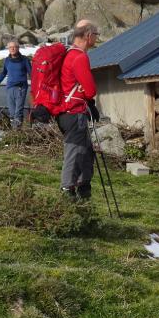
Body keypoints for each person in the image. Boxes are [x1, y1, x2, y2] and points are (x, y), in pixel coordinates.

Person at [57, 20, 99, 199]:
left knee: (85, 151)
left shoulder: (67, 53)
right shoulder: (80, 57)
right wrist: (86, 96)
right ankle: (69, 192)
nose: (97, 38)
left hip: (64, 113)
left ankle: (82, 187)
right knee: (75, 153)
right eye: (96, 35)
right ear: (88, 35)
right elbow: (90, 90)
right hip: (75, 114)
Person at [0, 40, 30, 127]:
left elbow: (32, 74)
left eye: (14, 47)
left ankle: (17, 132)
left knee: (18, 112)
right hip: (9, 88)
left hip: (21, 88)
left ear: (18, 48)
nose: (12, 49)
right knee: (12, 112)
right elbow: (3, 73)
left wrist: (36, 87)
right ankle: (14, 131)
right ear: (8, 49)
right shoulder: (7, 60)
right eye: (10, 47)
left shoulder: (24, 60)